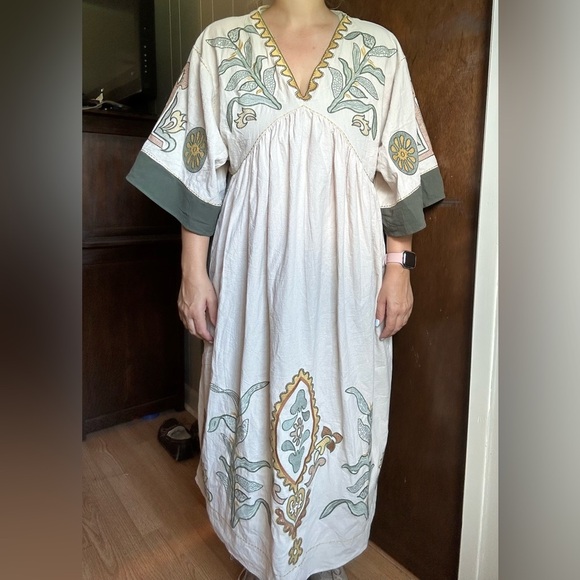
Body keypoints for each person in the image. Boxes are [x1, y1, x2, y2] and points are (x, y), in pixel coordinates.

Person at [127, 0, 444, 578]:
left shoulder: (379, 49)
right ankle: (259, 553)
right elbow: (197, 171)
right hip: (253, 274)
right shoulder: (220, 44)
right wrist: (193, 272)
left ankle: (321, 554)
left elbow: (399, 177)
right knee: (251, 388)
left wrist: (399, 267)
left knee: (342, 405)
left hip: (346, 280)